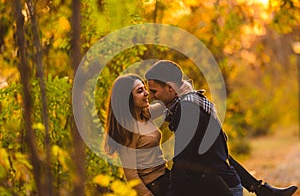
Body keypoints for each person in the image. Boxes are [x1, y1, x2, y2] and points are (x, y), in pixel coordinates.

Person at [145, 60, 298, 196]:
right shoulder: (193, 101)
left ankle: (261, 189)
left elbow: (182, 160)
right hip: (224, 182)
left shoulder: (186, 111)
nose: (152, 97)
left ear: (170, 88)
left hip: (219, 186)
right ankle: (261, 189)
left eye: (153, 91)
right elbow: (215, 152)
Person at [104, 74, 233, 196]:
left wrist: (180, 87)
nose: (147, 93)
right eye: (140, 91)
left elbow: (166, 100)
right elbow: (131, 174)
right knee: (212, 183)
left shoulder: (145, 115)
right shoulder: (128, 130)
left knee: (210, 179)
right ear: (127, 98)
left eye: (145, 89)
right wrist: (148, 195)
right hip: (157, 185)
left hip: (166, 176)